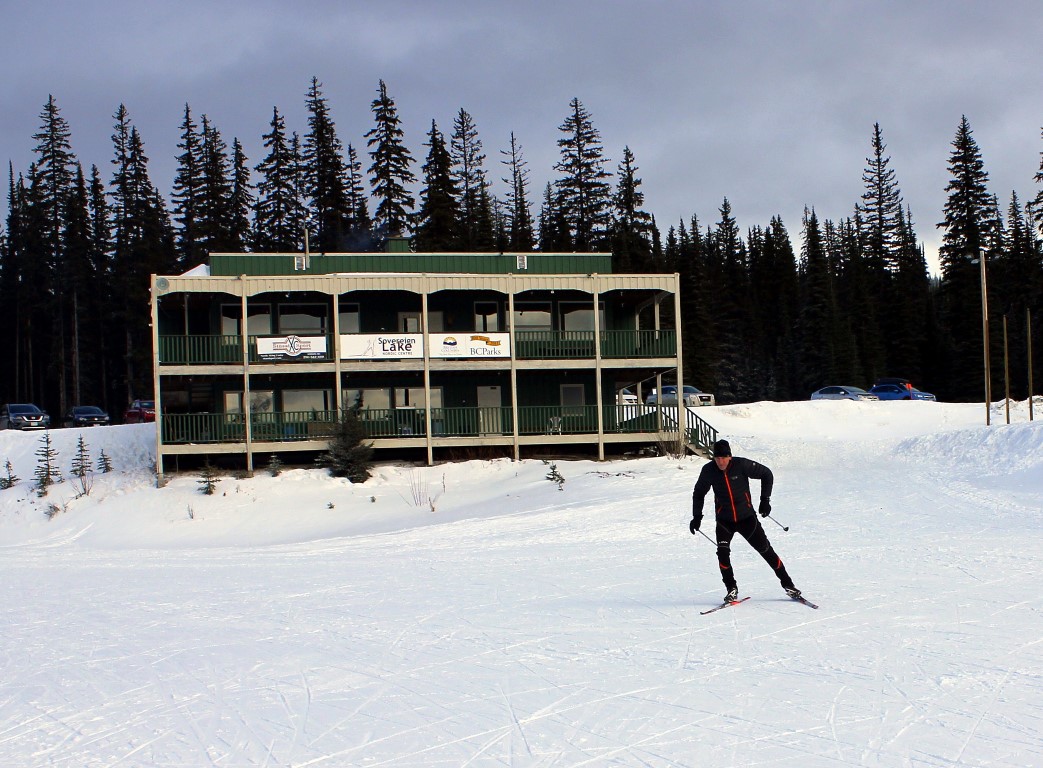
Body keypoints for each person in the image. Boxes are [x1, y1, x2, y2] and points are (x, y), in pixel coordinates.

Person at [689, 438, 801, 602]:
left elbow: (766, 474)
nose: (720, 461)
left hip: (746, 518)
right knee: (722, 553)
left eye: (723, 458)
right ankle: (731, 589)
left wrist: (765, 501)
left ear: (730, 457)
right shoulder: (709, 471)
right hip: (724, 521)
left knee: (765, 550)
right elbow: (699, 493)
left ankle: (789, 585)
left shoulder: (741, 465)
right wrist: (696, 517)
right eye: (717, 458)